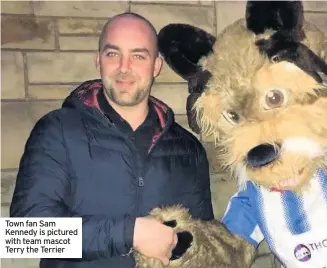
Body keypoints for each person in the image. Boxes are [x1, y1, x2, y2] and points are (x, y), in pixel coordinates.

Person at [9, 12, 214, 268]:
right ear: (98, 61)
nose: (124, 67)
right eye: (113, 54)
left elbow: (206, 241)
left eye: (138, 56)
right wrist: (129, 234)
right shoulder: (57, 130)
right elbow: (26, 235)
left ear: (156, 66)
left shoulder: (189, 149)